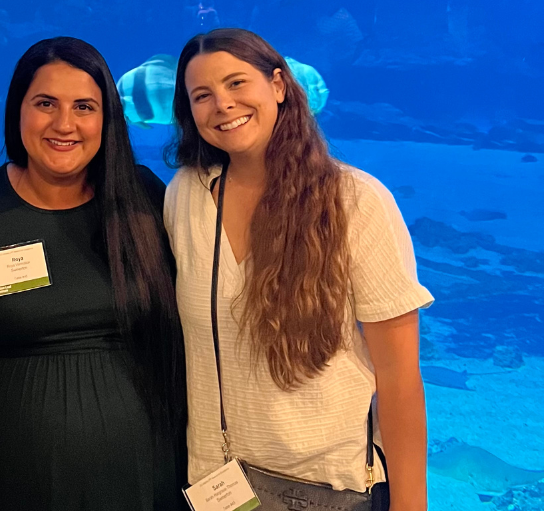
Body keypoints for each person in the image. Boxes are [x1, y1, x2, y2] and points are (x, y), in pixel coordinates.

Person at [164, 28, 433, 511]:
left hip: (331, 488)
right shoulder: (184, 196)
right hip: (216, 485)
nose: (222, 104)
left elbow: (399, 376)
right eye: (201, 95)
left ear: (278, 86)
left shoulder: (357, 201)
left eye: (236, 83)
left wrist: (410, 504)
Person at [0, 36, 186, 511]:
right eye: (45, 104)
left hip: (145, 466)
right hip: (9, 470)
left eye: (84, 106)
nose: (64, 124)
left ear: (107, 118)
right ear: (17, 110)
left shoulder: (144, 198)